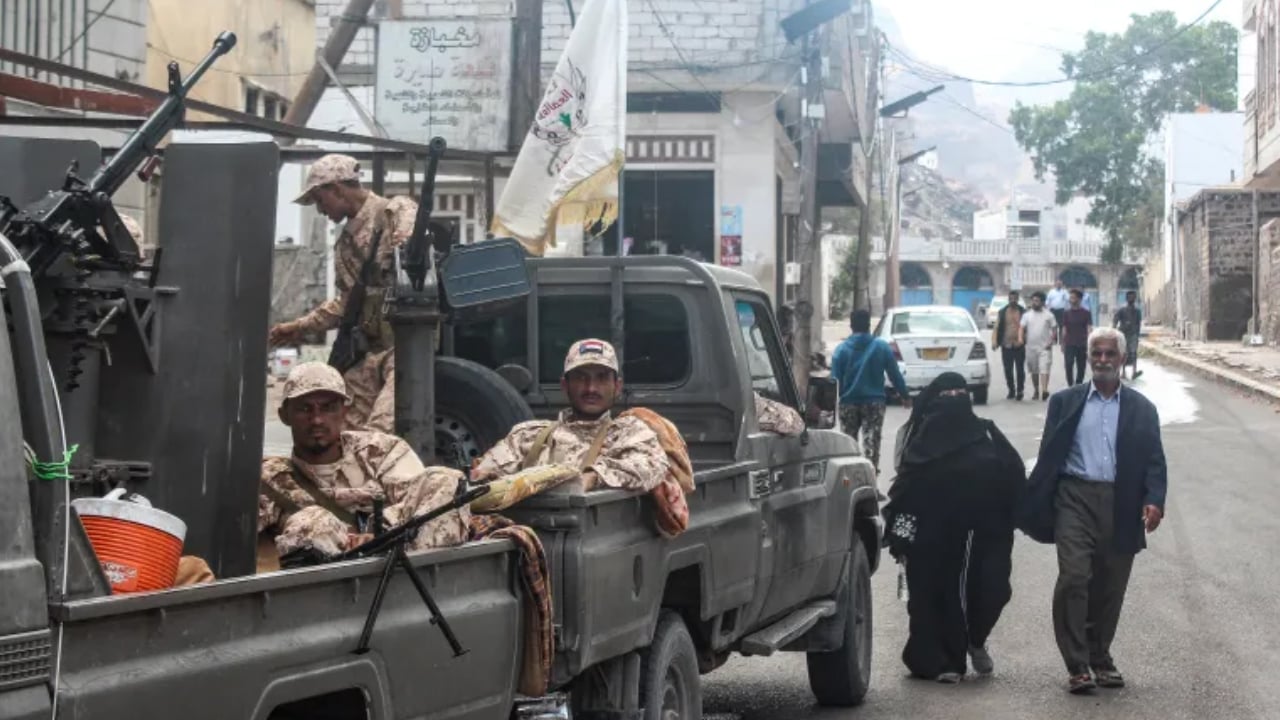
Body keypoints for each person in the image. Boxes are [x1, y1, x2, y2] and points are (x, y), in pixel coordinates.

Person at [1017, 328, 1168, 694]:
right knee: (1074, 576)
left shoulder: (1142, 409)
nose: (1102, 360)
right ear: (1088, 358)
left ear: (1122, 358)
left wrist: (1154, 499)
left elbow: (1154, 460)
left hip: (1121, 500)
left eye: (1109, 354)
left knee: (1109, 584)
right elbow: (1050, 454)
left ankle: (1100, 656)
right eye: (1096, 353)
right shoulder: (1065, 402)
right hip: (1074, 498)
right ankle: (1077, 663)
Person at [884, 373, 1024, 683]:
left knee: (994, 589)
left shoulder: (986, 433)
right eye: (947, 394)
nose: (955, 399)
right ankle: (945, 661)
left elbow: (1014, 474)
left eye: (961, 392)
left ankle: (975, 639)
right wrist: (901, 539)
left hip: (985, 532)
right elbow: (905, 490)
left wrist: (1019, 512)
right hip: (932, 535)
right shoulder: (917, 440)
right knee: (936, 595)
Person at [266, 154, 419, 434]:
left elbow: (413, 257)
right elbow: (346, 304)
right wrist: (299, 327)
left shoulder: (394, 212)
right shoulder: (345, 246)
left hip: (408, 345)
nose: (320, 210)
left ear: (336, 189)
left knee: (379, 430)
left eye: (320, 200)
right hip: (372, 351)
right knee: (340, 429)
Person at [258, 362, 470, 563]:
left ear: (344, 411)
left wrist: (377, 536)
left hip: (400, 567)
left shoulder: (380, 451)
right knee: (312, 522)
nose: (317, 420)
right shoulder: (271, 479)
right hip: (333, 581)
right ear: (284, 415)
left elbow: (419, 498)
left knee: (448, 481)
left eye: (328, 407)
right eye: (304, 409)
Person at [830, 309, 911, 475]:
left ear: (851, 326)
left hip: (848, 403)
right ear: (868, 325)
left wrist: (829, 405)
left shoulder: (840, 350)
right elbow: (894, 374)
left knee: (848, 445)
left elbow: (834, 382)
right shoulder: (881, 347)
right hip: (874, 403)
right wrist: (905, 396)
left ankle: (849, 480)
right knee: (871, 445)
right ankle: (871, 481)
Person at [1019, 291, 1058, 401]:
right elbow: (1021, 328)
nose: (1034, 303)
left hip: (1045, 347)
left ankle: (1045, 390)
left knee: (1044, 368)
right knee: (1034, 371)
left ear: (1042, 302)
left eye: (1037, 301)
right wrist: (1020, 338)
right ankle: (1036, 390)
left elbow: (1054, 329)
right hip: (1031, 348)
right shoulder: (1027, 315)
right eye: (1033, 301)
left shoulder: (1049, 315)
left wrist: (1051, 340)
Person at [991, 290, 1026, 400]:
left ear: (1018, 299)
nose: (1013, 301)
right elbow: (996, 327)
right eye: (1011, 299)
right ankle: (1011, 390)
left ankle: (1020, 390)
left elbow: (1027, 327)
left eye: (1015, 299)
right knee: (1008, 370)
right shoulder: (1002, 312)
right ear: (1008, 299)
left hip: (1019, 345)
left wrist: (1024, 340)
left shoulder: (1023, 312)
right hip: (1006, 345)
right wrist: (994, 341)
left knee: (1020, 369)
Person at [1060, 289, 1092, 387]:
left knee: (1081, 366)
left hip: (1082, 343)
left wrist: (1090, 343)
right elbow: (1064, 328)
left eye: (1073, 297)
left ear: (1079, 299)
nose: (1071, 299)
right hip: (1069, 343)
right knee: (1068, 364)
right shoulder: (1066, 313)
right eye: (1070, 297)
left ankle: (1079, 384)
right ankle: (1070, 385)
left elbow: (1089, 328)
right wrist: (1062, 343)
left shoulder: (1086, 313)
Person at [1113, 291, 1143, 380]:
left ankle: (1134, 372)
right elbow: (1115, 320)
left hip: (1133, 334)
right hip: (1123, 334)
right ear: (1126, 298)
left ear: (1135, 299)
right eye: (1130, 297)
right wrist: (1113, 332)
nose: (1131, 299)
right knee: (1123, 353)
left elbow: (1138, 323)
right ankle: (1123, 372)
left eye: (1133, 297)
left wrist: (1137, 334)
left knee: (1133, 353)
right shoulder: (1121, 309)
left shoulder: (1137, 311)